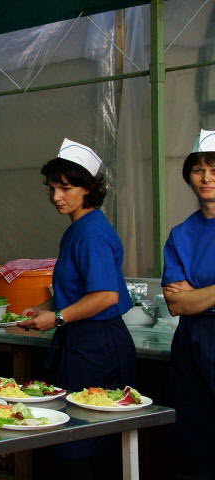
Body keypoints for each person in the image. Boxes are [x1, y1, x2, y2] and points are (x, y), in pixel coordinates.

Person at [19, 139, 135, 478]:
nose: (57, 197)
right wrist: (41, 308)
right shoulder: (78, 229)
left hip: (98, 346)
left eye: (66, 188)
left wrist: (56, 318)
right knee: (76, 436)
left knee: (84, 443)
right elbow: (77, 289)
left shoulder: (92, 233)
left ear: (89, 189)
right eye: (52, 188)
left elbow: (105, 296)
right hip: (81, 343)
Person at [162, 129, 215, 478]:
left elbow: (187, 298)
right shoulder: (181, 234)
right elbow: (176, 304)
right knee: (196, 435)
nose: (206, 178)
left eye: (214, 170)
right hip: (191, 341)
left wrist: (196, 293)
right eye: (199, 170)